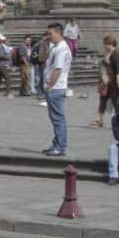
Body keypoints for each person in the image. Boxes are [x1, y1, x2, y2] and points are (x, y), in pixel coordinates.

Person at [42, 22, 73, 156]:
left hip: (56, 87)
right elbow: (42, 58)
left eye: (50, 34)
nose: (48, 36)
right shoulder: (55, 47)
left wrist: (50, 85)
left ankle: (60, 147)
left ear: (57, 33)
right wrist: (43, 45)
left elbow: (58, 69)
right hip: (55, 87)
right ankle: (56, 143)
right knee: (55, 118)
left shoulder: (62, 49)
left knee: (58, 119)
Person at [91, 35, 119, 128]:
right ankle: (99, 120)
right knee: (103, 100)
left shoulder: (117, 54)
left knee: (115, 101)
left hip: (114, 82)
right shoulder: (109, 53)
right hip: (106, 82)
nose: (104, 47)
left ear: (111, 44)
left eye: (105, 44)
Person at [0, 33, 15, 99]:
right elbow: (0, 55)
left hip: (1, 64)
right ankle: (8, 93)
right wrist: (8, 56)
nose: (2, 40)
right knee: (8, 77)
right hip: (1, 64)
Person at [32, 32, 49, 100]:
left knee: (42, 79)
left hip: (44, 63)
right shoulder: (41, 44)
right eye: (46, 36)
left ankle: (42, 93)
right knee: (41, 79)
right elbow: (40, 56)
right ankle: (40, 93)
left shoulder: (46, 44)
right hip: (41, 63)